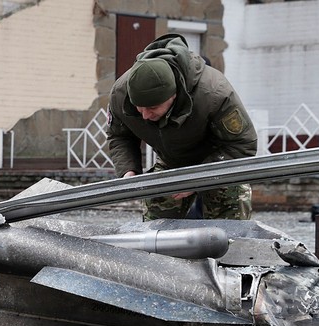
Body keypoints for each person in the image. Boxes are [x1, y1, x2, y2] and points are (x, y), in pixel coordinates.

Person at [107, 34, 258, 220]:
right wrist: (128, 170)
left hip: (219, 164)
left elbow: (242, 144)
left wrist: (198, 179)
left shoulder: (215, 93)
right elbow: (119, 135)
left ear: (173, 96)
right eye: (139, 109)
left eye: (152, 108)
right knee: (155, 232)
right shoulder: (121, 93)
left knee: (230, 232)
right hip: (172, 162)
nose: (145, 115)